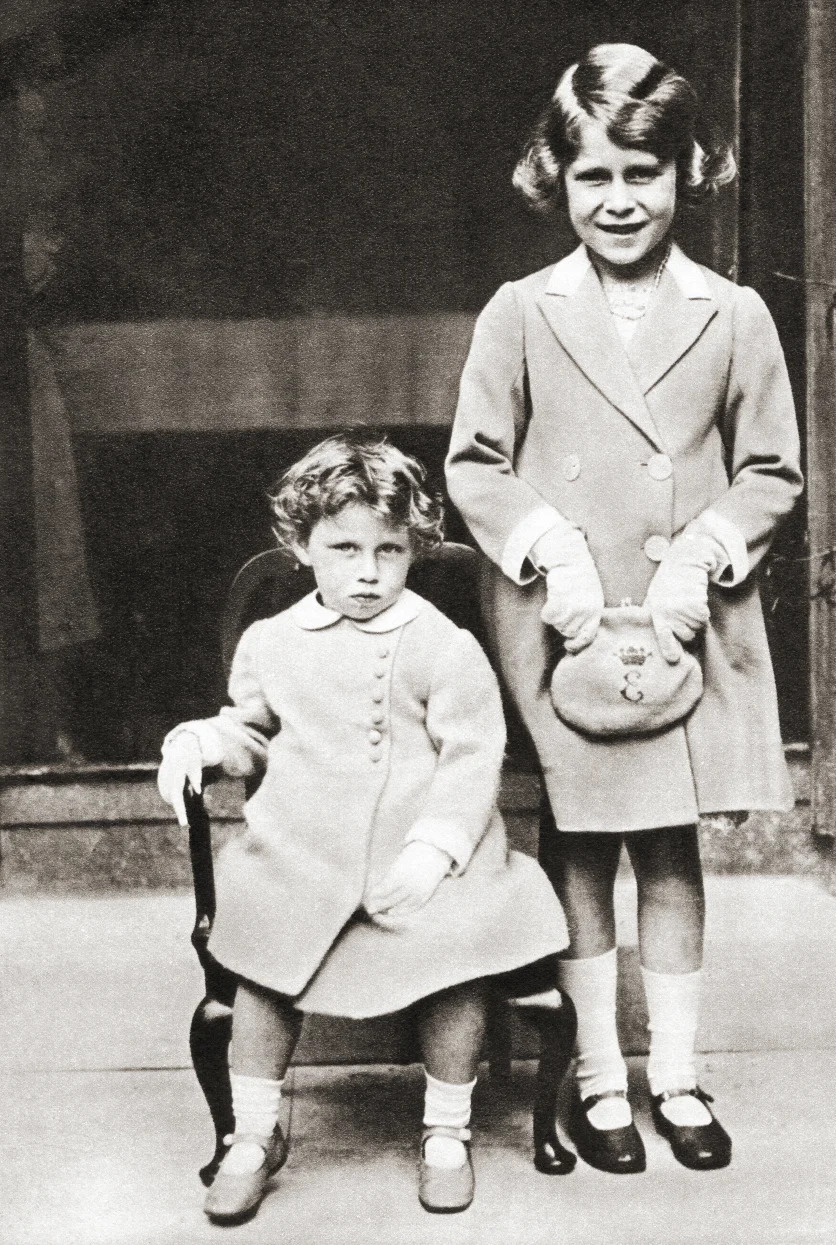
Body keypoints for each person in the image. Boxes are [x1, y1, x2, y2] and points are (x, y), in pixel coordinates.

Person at [446, 42, 802, 1175]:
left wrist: (708, 551)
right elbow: (476, 463)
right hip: (572, 625)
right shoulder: (521, 310)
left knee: (672, 850)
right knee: (585, 849)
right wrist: (548, 546)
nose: (617, 200)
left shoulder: (735, 313)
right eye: (592, 175)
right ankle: (601, 1077)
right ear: (555, 177)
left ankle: (679, 1077)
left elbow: (772, 471)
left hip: (684, 620)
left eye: (641, 174)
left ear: (688, 170)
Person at [157, 434, 569, 1222]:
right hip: (306, 850)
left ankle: (447, 1130)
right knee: (265, 962)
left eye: (390, 549)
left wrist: (436, 847)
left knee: (455, 956)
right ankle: (253, 1132)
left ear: (415, 550)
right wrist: (205, 742)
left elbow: (473, 754)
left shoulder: (442, 646)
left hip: (422, 854)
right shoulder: (273, 643)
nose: (368, 571)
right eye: (343, 548)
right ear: (301, 544)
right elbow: (251, 730)